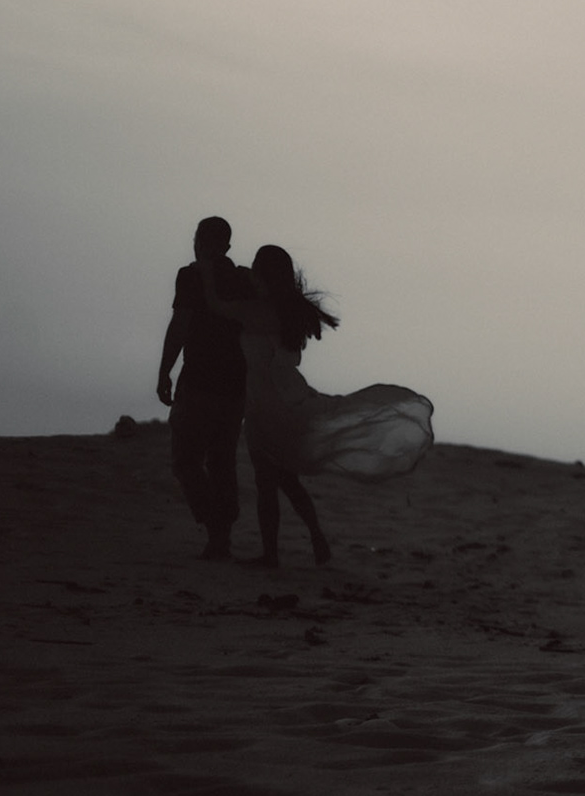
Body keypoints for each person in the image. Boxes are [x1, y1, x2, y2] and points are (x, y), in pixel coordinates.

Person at [197, 244, 433, 567]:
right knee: (286, 481)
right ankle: (316, 539)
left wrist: (207, 268)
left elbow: (216, 305)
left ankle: (272, 554)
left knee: (268, 483)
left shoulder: (258, 311)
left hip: (267, 407)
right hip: (289, 398)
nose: (250, 271)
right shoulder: (287, 311)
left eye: (254, 267)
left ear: (264, 274)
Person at [157, 217, 253, 559]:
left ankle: (216, 528)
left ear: (200, 241)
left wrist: (164, 371)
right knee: (221, 461)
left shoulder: (191, 276)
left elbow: (180, 324)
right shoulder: (244, 279)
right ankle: (221, 534)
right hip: (235, 385)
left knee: (186, 460)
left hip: (200, 381)